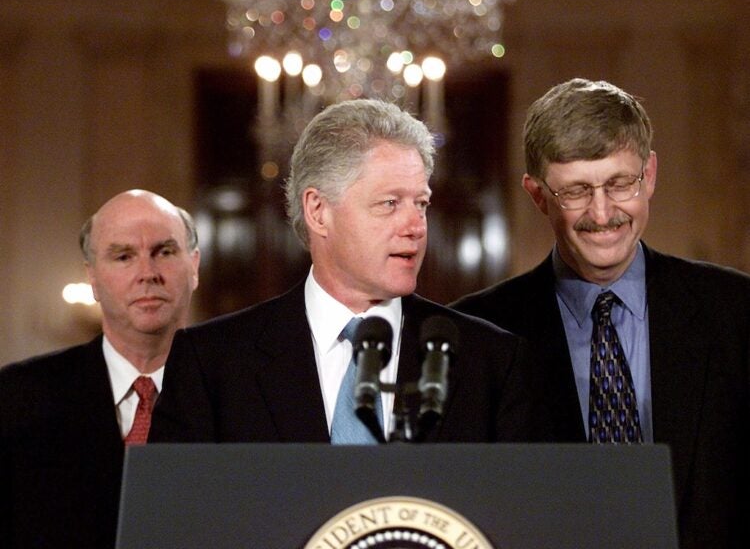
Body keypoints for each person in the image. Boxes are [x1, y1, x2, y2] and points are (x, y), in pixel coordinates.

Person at [451, 78, 749, 549]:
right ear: (537, 195)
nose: (603, 212)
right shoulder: (472, 334)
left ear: (649, 175)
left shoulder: (737, 312)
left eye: (619, 183)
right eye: (576, 191)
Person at [149, 99, 539, 447]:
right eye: (389, 203)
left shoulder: (490, 361)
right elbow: (173, 518)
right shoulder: (212, 363)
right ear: (318, 211)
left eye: (421, 203)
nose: (416, 226)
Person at [0, 189, 200, 548]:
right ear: (92, 277)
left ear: (194, 266)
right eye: (124, 256)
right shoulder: (16, 398)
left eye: (164, 252)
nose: (147, 273)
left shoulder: (239, 393)